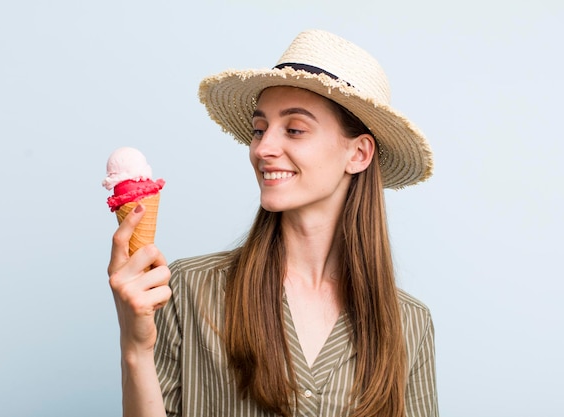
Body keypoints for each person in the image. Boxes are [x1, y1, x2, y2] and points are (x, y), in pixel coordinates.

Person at [108, 29, 438, 417]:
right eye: (259, 130)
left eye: (295, 129)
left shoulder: (409, 324)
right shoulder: (189, 289)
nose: (263, 149)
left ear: (359, 153)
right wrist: (135, 347)